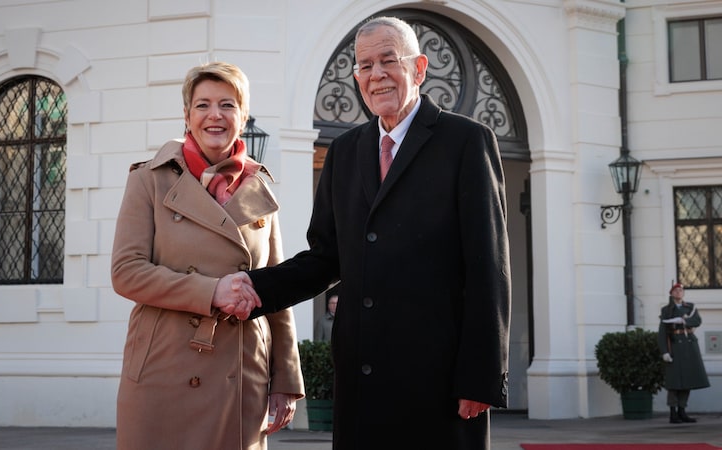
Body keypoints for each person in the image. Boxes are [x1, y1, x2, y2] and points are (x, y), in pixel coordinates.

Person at [216, 16, 511, 449]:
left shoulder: (466, 141)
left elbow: (489, 266)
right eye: (364, 65)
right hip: (362, 375)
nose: (376, 75)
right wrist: (256, 289)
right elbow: (325, 258)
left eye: (388, 60)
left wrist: (481, 376)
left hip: (439, 382)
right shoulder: (345, 150)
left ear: (420, 68)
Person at [110, 61, 304, 450]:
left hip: (242, 367)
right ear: (187, 115)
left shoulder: (259, 186)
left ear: (243, 116)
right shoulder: (149, 178)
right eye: (203, 105)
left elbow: (277, 289)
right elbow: (126, 272)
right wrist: (211, 291)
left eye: (228, 105)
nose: (215, 115)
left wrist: (285, 379)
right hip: (164, 366)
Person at [657, 282, 710, 424]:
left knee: (687, 381)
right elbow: (662, 332)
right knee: (674, 383)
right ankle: (673, 413)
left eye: (681, 290)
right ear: (671, 293)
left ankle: (682, 411)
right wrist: (664, 352)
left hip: (688, 346)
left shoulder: (690, 307)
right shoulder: (666, 310)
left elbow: (697, 320)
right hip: (674, 346)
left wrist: (684, 320)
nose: (679, 292)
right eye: (676, 290)